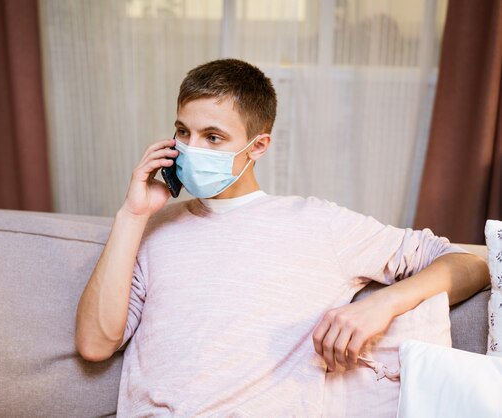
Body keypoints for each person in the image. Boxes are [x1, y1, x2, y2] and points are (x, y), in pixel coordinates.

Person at [75, 58, 489, 416]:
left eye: (213, 137)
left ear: (258, 146)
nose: (190, 148)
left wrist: (383, 304)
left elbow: (470, 264)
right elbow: (95, 344)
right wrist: (132, 215)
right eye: (182, 132)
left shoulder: (319, 223)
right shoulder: (152, 229)